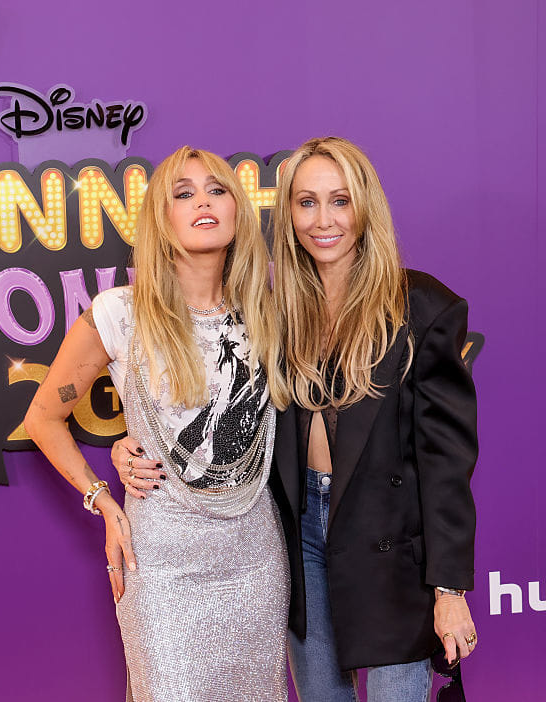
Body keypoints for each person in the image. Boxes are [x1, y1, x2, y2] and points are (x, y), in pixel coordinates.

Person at [115, 137, 479, 702]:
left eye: (340, 201)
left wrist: (450, 590)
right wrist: (128, 443)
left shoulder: (421, 307)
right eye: (307, 202)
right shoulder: (273, 310)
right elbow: (214, 404)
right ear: (287, 213)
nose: (323, 220)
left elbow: (446, 464)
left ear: (366, 206)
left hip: (391, 547)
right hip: (300, 537)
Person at [23, 146, 290, 701]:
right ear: (160, 220)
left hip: (255, 556)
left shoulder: (270, 313)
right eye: (183, 194)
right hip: (161, 560)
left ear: (237, 209)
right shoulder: (121, 313)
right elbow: (43, 418)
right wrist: (101, 499)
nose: (203, 202)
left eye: (216, 190)